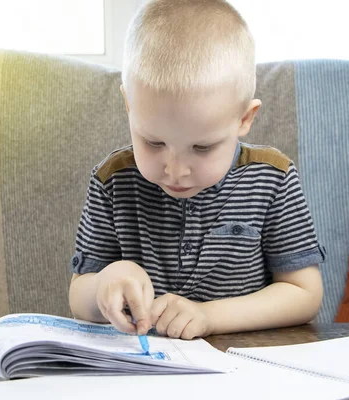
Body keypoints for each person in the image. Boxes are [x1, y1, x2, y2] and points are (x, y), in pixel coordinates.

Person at [68, 0, 325, 340]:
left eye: (202, 148)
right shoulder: (111, 181)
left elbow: (304, 294)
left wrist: (208, 316)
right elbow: (78, 297)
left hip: (244, 365)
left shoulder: (273, 178)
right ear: (129, 106)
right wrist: (106, 281)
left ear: (244, 119)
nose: (176, 171)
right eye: (153, 143)